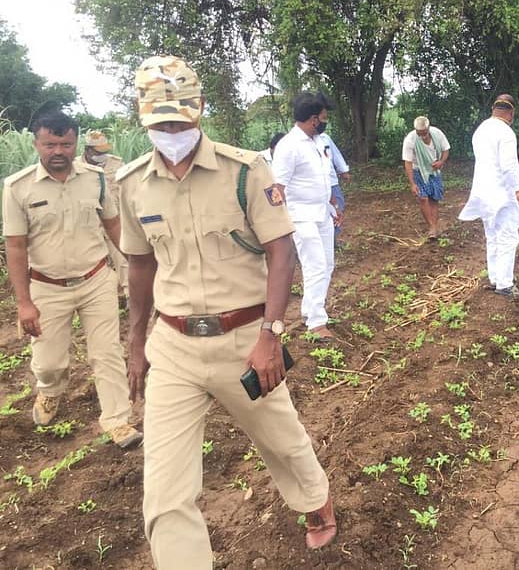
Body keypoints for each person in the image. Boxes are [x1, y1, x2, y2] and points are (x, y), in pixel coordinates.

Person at [118, 56, 336, 567]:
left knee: (282, 440)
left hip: (244, 339)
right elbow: (139, 266)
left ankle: (314, 500)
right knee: (166, 488)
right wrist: (135, 344)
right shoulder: (131, 185)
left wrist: (271, 333)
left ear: (199, 111)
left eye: (180, 119)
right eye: (160, 123)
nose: (171, 131)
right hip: (172, 347)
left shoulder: (245, 171)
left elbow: (281, 251)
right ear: (143, 118)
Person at [2, 111, 141, 449]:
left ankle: (118, 420)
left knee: (107, 353)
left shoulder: (96, 179)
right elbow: (16, 246)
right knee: (49, 363)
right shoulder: (17, 188)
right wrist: (24, 303)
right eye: (50, 144)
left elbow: (113, 225)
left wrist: (134, 269)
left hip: (95, 280)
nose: (58, 151)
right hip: (46, 287)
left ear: (75, 143)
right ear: (36, 143)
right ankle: (49, 391)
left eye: (65, 143)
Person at [271, 91, 338, 340]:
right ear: (313, 119)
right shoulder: (289, 147)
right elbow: (278, 188)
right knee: (315, 265)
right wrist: (280, 223)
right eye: (323, 117)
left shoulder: (317, 142)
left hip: (322, 213)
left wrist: (331, 202)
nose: (325, 120)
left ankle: (311, 310)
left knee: (327, 264)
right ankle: (316, 322)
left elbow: (321, 177)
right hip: (301, 216)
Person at [459, 95, 519, 298]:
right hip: (500, 192)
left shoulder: (481, 130)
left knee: (493, 236)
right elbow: (508, 167)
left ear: (493, 109)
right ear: (511, 113)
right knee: (507, 237)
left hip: (482, 192)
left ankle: (496, 278)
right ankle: (505, 284)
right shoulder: (505, 132)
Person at [75, 130, 129, 298]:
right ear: (87, 150)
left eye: (104, 152)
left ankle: (130, 296)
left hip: (115, 222)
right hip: (88, 225)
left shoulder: (117, 164)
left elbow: (127, 192)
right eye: (99, 152)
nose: (103, 156)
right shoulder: (74, 166)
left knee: (124, 260)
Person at [402, 115, 450, 240]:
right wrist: (412, 183)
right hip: (418, 171)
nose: (422, 136)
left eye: (424, 133)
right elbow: (408, 162)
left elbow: (446, 150)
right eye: (419, 133)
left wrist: (441, 162)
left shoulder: (437, 134)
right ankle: (432, 228)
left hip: (434, 170)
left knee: (434, 198)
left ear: (428, 128)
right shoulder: (410, 140)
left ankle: (434, 226)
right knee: (422, 198)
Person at [313, 95, 350, 250]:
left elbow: (335, 155)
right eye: (323, 117)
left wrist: (343, 170)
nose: (325, 121)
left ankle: (332, 241)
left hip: (331, 182)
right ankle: (324, 243)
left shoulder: (325, 139)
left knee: (337, 208)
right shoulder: (301, 143)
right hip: (316, 186)